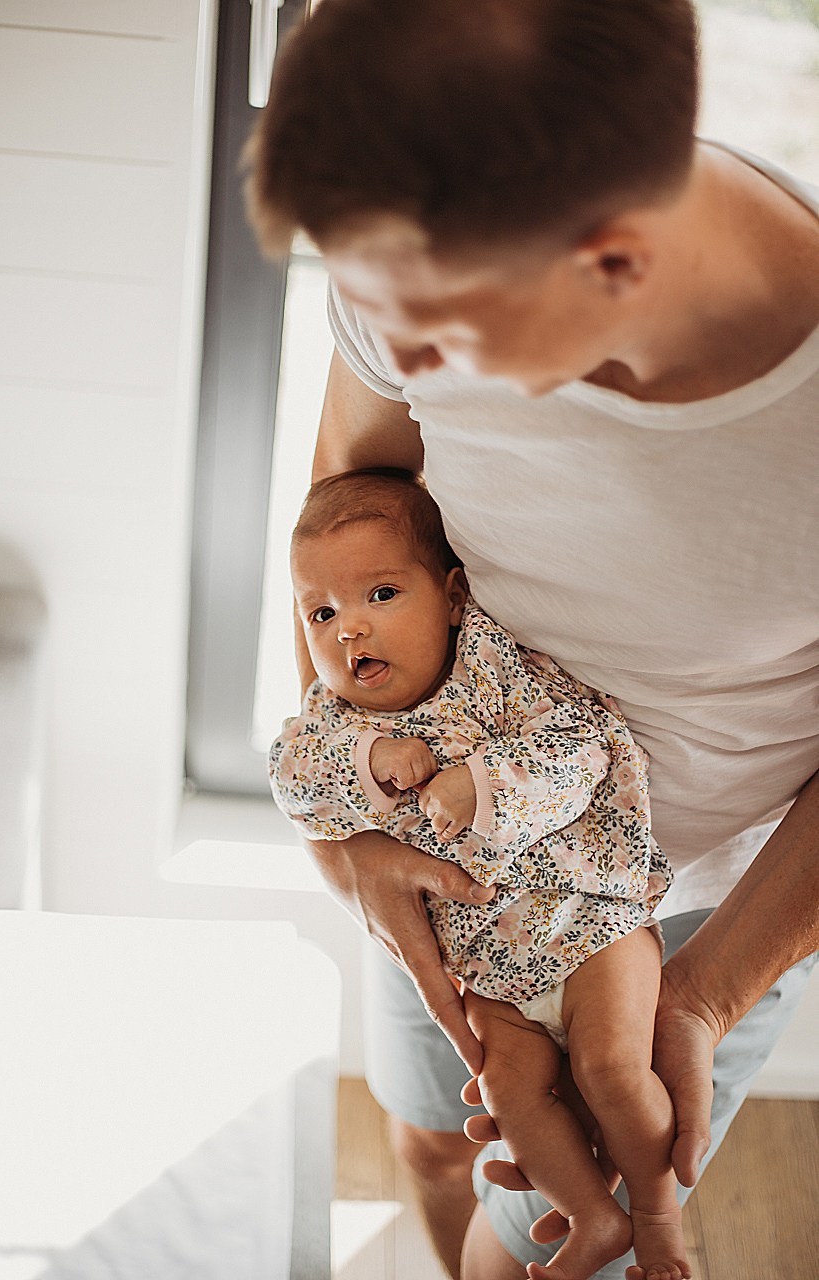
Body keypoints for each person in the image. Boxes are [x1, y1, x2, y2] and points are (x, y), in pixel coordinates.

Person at [248, 1, 819, 1277]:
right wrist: (356, 841)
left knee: (556, 1249)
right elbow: (346, 521)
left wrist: (705, 990)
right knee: (431, 1139)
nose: (395, 357)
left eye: (435, 332)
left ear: (612, 264)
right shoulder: (426, 242)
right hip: (435, 862)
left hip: (688, 923)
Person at [270, 467, 689, 1280]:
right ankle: (592, 1218)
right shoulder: (336, 724)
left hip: (588, 926)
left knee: (610, 1071)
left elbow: (582, 745)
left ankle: (656, 1217)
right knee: (511, 1098)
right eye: (322, 612)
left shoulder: (492, 670)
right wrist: (367, 756)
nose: (349, 630)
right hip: (493, 979)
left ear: (453, 596)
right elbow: (294, 781)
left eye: (381, 595)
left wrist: (483, 784)